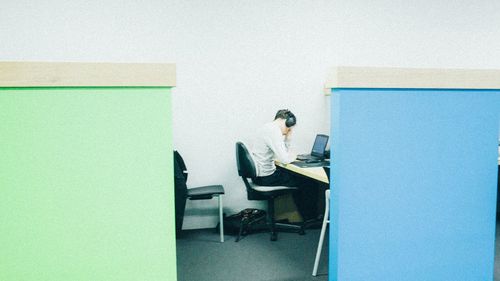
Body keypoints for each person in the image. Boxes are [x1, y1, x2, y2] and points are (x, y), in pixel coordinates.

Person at [251, 109, 318, 222]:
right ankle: (310, 219)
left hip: (261, 176)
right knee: (309, 183)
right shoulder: (274, 130)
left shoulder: (267, 127)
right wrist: (294, 155)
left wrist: (287, 139)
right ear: (287, 122)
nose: (288, 130)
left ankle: (306, 217)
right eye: (289, 127)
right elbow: (284, 159)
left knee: (299, 178)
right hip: (267, 178)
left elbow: (282, 156)